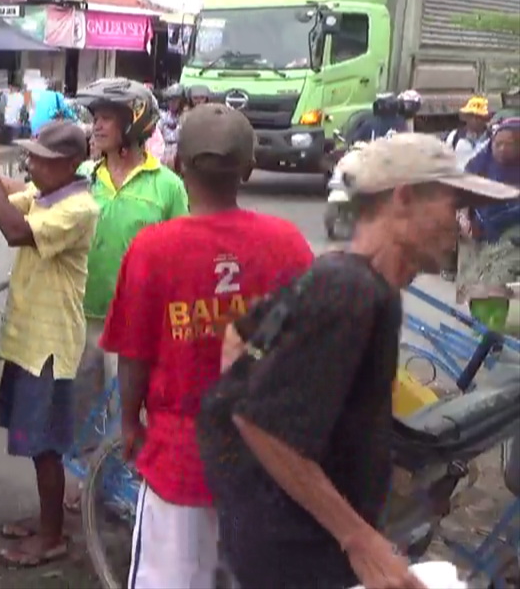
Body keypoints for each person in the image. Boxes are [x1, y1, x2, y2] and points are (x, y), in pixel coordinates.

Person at [198, 132, 518, 589]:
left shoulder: (347, 277)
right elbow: (263, 423)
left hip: (292, 538)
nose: (460, 221)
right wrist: (358, 538)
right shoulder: (352, 291)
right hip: (296, 554)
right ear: (404, 199)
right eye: (451, 204)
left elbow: (238, 338)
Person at [100, 103, 314, 588]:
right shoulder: (287, 242)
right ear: (249, 168)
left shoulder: (153, 248)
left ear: (177, 164)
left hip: (180, 456)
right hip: (265, 456)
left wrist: (130, 421)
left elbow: (133, 352)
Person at [0, 120, 99, 569]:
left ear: (69, 165)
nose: (31, 163)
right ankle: (47, 518)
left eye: (41, 158)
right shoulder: (45, 196)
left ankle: (53, 537)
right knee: (34, 441)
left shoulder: (78, 208)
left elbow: (16, 231)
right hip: (28, 339)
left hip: (51, 345)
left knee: (45, 446)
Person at [69, 79, 188, 484]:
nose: (96, 127)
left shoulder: (167, 186)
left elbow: (181, 256)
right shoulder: (83, 176)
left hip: (137, 326)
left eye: (106, 119)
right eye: (95, 118)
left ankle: (123, 485)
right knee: (82, 405)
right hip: (83, 316)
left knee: (126, 410)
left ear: (134, 123)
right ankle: (86, 483)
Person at [456, 116, 520, 334]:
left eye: (508, 144)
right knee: (474, 283)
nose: (501, 149)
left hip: (509, 235)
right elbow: (463, 190)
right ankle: (479, 327)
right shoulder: (480, 163)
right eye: (497, 143)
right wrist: (463, 218)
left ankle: (492, 334)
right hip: (475, 232)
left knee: (496, 284)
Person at [447, 95, 492, 168]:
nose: (475, 120)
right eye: (471, 116)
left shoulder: (493, 138)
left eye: (479, 116)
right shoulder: (454, 136)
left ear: (486, 118)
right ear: (465, 117)